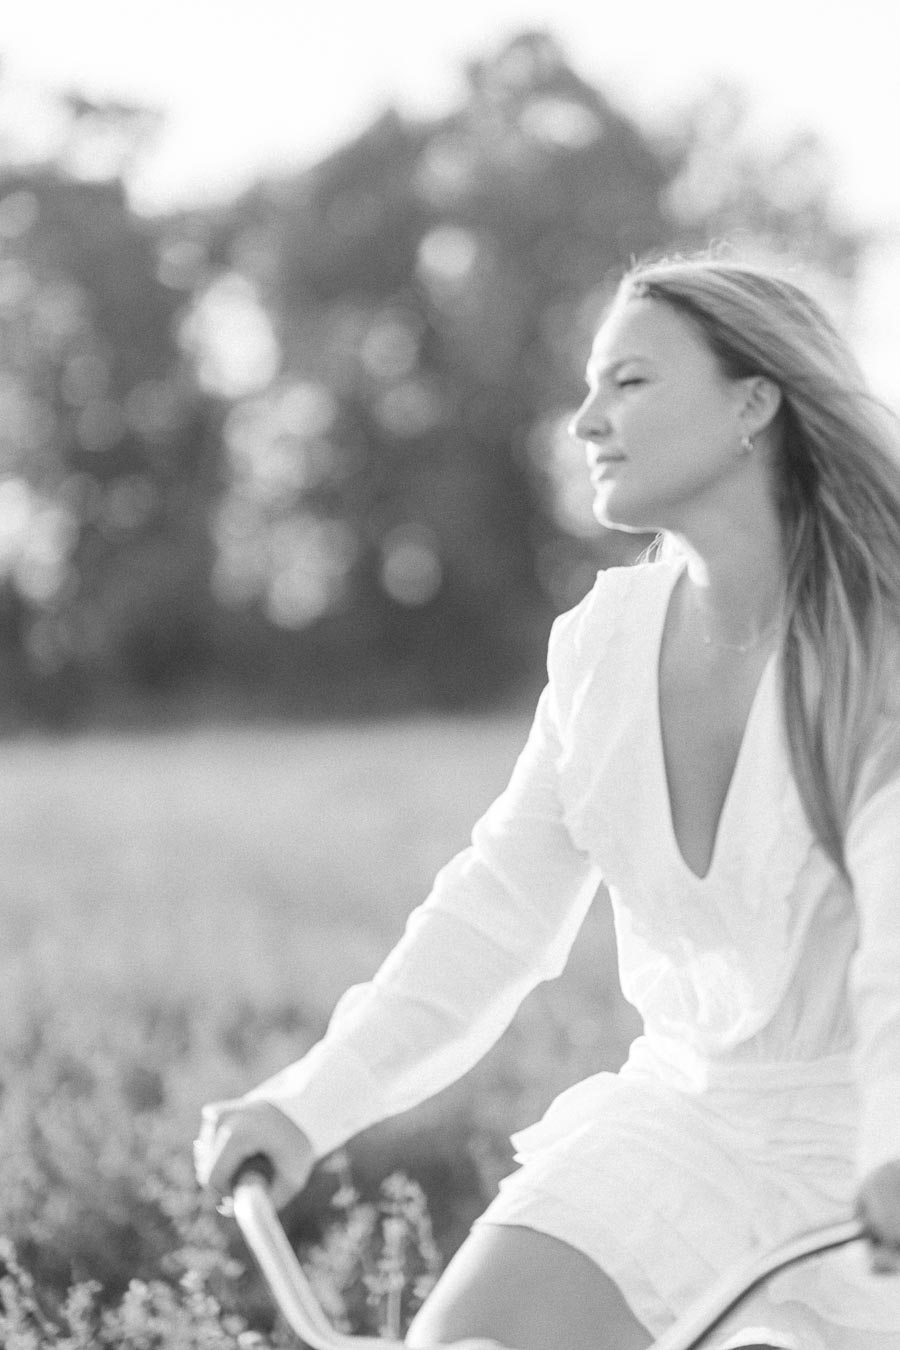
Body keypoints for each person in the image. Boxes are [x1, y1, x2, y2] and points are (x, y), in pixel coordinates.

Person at [194, 255, 900, 1349]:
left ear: (754, 402)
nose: (583, 422)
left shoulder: (878, 653)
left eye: (629, 382)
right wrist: (307, 1103)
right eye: (589, 385)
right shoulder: (603, 647)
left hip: (874, 1160)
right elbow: (495, 913)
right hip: (685, 1126)